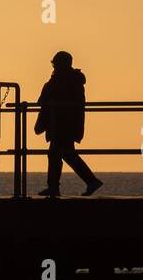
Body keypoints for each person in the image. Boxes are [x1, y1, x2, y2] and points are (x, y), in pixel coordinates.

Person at [34, 51, 103, 197]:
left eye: (56, 64)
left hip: (63, 124)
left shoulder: (63, 81)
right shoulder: (72, 80)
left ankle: (88, 181)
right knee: (60, 154)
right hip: (67, 124)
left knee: (61, 154)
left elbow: (44, 99)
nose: (54, 66)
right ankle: (57, 186)